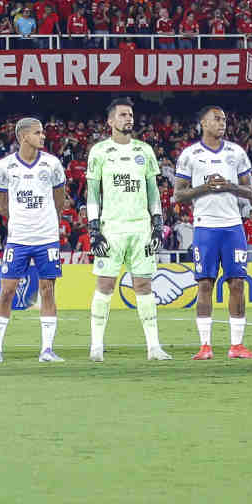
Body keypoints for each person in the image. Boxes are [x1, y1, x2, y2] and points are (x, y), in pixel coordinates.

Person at [86, 98, 171, 362]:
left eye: (130, 115)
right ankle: (96, 346)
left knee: (144, 285)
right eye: (123, 115)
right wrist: (94, 228)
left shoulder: (144, 151)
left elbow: (152, 191)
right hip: (111, 227)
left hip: (140, 228)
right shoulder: (99, 152)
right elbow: (92, 193)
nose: (128, 119)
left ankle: (154, 347)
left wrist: (157, 224)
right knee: (105, 284)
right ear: (111, 121)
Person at [173, 106, 252, 359]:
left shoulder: (237, 153)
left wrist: (229, 185)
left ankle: (237, 346)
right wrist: (205, 187)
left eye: (224, 119)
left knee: (238, 284)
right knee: (205, 284)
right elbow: (179, 194)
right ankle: (205, 346)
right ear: (203, 123)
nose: (222, 123)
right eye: (216, 119)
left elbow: (251, 193)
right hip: (205, 227)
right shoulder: (190, 155)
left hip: (233, 226)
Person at [0, 117, 66, 364]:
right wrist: (22, 221)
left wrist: (45, 222)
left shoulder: (52, 164)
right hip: (18, 238)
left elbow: (59, 201)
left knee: (47, 290)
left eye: (42, 132)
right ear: (23, 137)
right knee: (7, 291)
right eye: (38, 133)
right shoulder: (4, 167)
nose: (43, 136)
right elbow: (2, 206)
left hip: (47, 238)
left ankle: (47, 350)